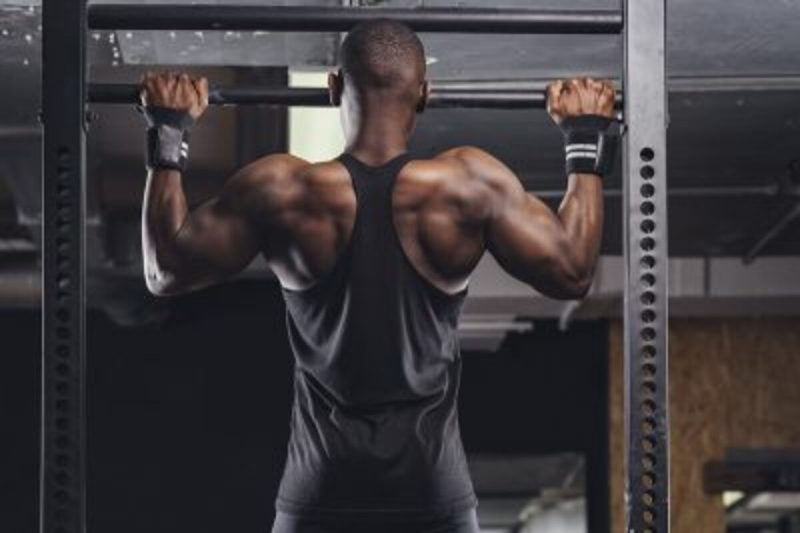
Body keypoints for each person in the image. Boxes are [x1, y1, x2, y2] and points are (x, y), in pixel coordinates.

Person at [138, 19, 616, 533]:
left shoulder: (283, 190)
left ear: (334, 88)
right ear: (424, 94)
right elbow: (573, 272)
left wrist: (170, 130)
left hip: (319, 491)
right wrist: (583, 136)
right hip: (433, 491)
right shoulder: (469, 185)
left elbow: (165, 270)